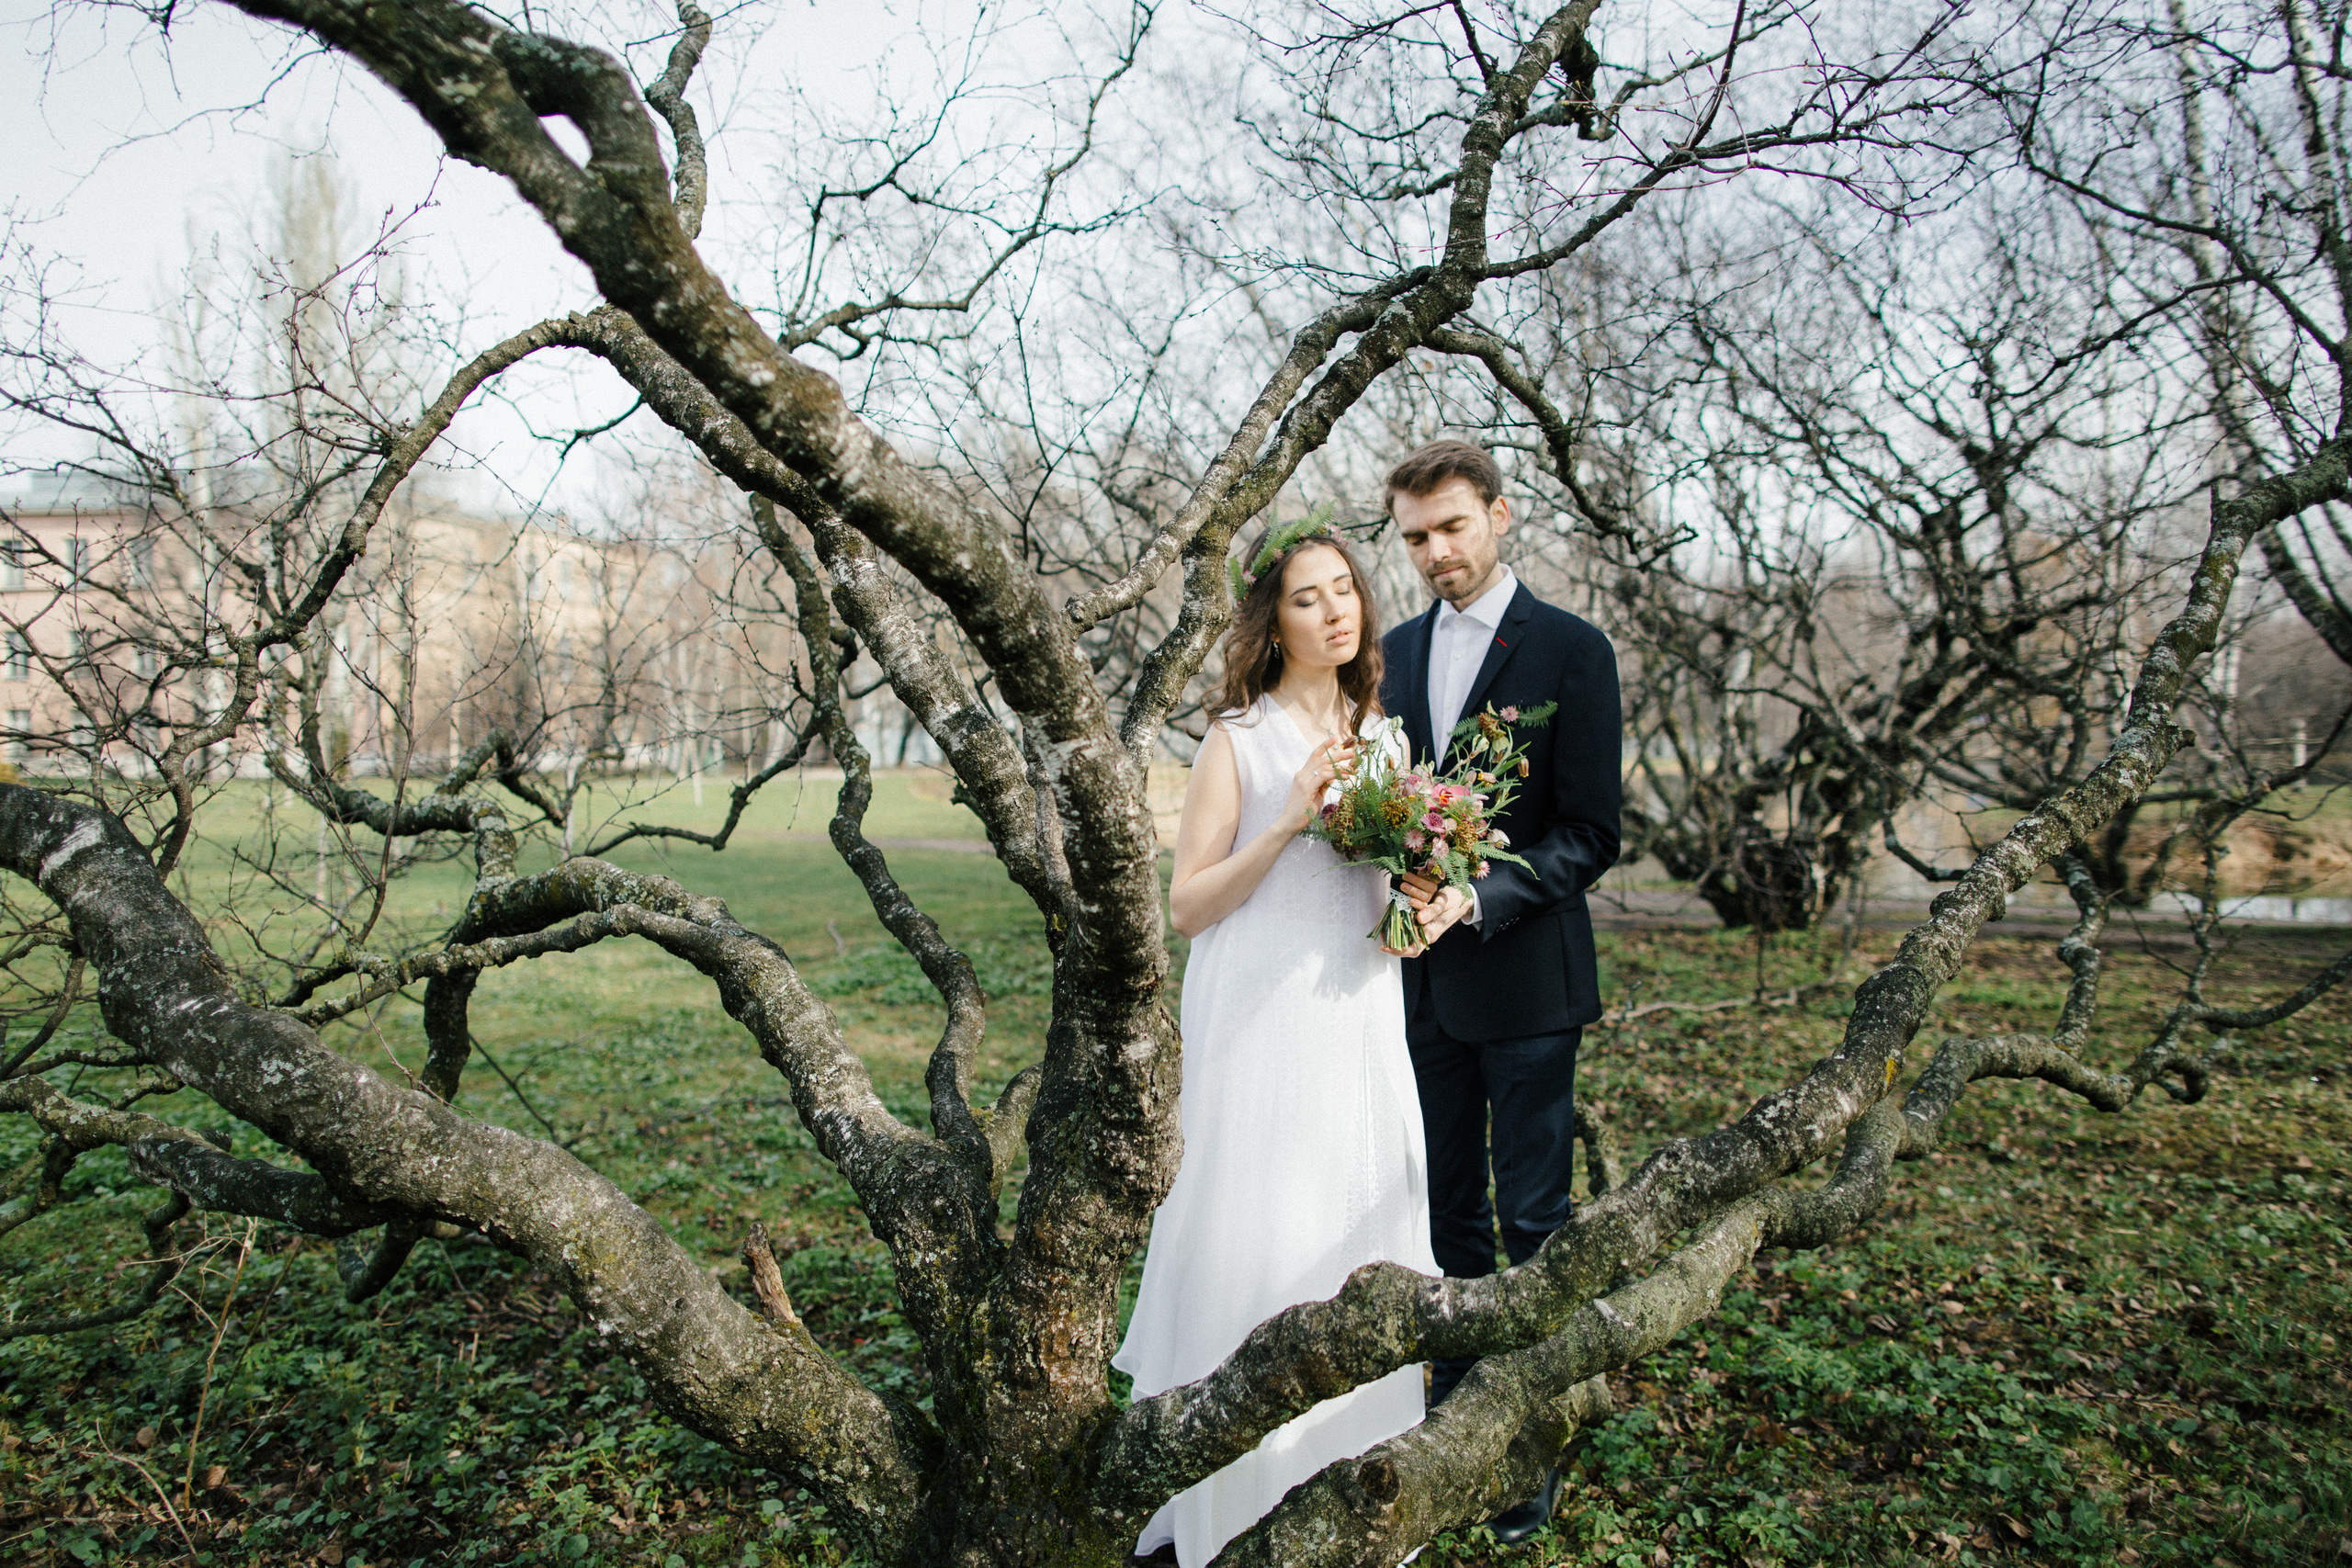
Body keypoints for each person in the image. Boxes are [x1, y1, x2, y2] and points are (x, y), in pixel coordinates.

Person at [1114, 518, 1442, 1567]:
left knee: (1350, 1232)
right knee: (1253, 1232)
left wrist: (1433, 901)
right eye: (1308, 596)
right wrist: (1290, 816)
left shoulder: (1385, 739)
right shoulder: (1237, 740)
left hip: (1356, 1026)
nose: (1336, 609)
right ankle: (1229, 1494)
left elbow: (1387, 901)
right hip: (1258, 1031)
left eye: (1345, 589)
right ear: (1272, 618)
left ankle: (1350, 1485)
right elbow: (1190, 906)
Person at [1378, 439, 1623, 1545]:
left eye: (1452, 528)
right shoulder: (1386, 655)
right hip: (1412, 991)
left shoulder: (1572, 651)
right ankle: (1455, 1417)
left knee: (1533, 1218)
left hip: (1527, 984)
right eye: (1416, 536)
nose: (1435, 552)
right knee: (1443, 1219)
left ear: (1500, 515)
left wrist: (1477, 894)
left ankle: (1527, 1441)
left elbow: (1589, 833)